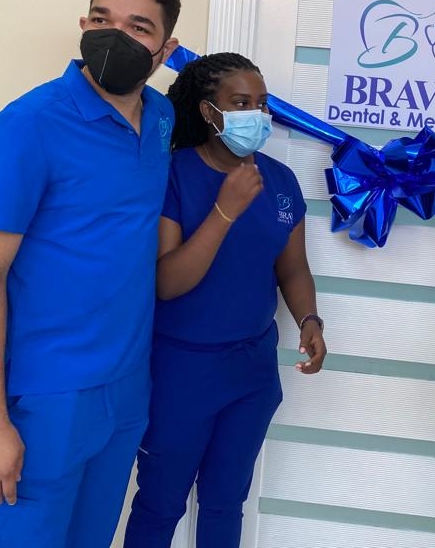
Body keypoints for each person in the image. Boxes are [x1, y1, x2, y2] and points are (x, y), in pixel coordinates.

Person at [0, 0, 181, 548]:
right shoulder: (27, 125)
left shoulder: (161, 118)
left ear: (164, 50)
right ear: (84, 26)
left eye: (139, 27)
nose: (115, 35)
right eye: (101, 18)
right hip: (47, 398)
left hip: (128, 388)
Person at [124, 53, 326, 548]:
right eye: (241, 103)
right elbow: (167, 282)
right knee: (160, 503)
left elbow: (292, 267)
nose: (256, 116)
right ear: (208, 111)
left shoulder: (280, 182)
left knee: (225, 501)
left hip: (250, 373)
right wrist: (224, 210)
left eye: (261, 104)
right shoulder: (173, 174)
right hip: (181, 372)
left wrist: (310, 319)